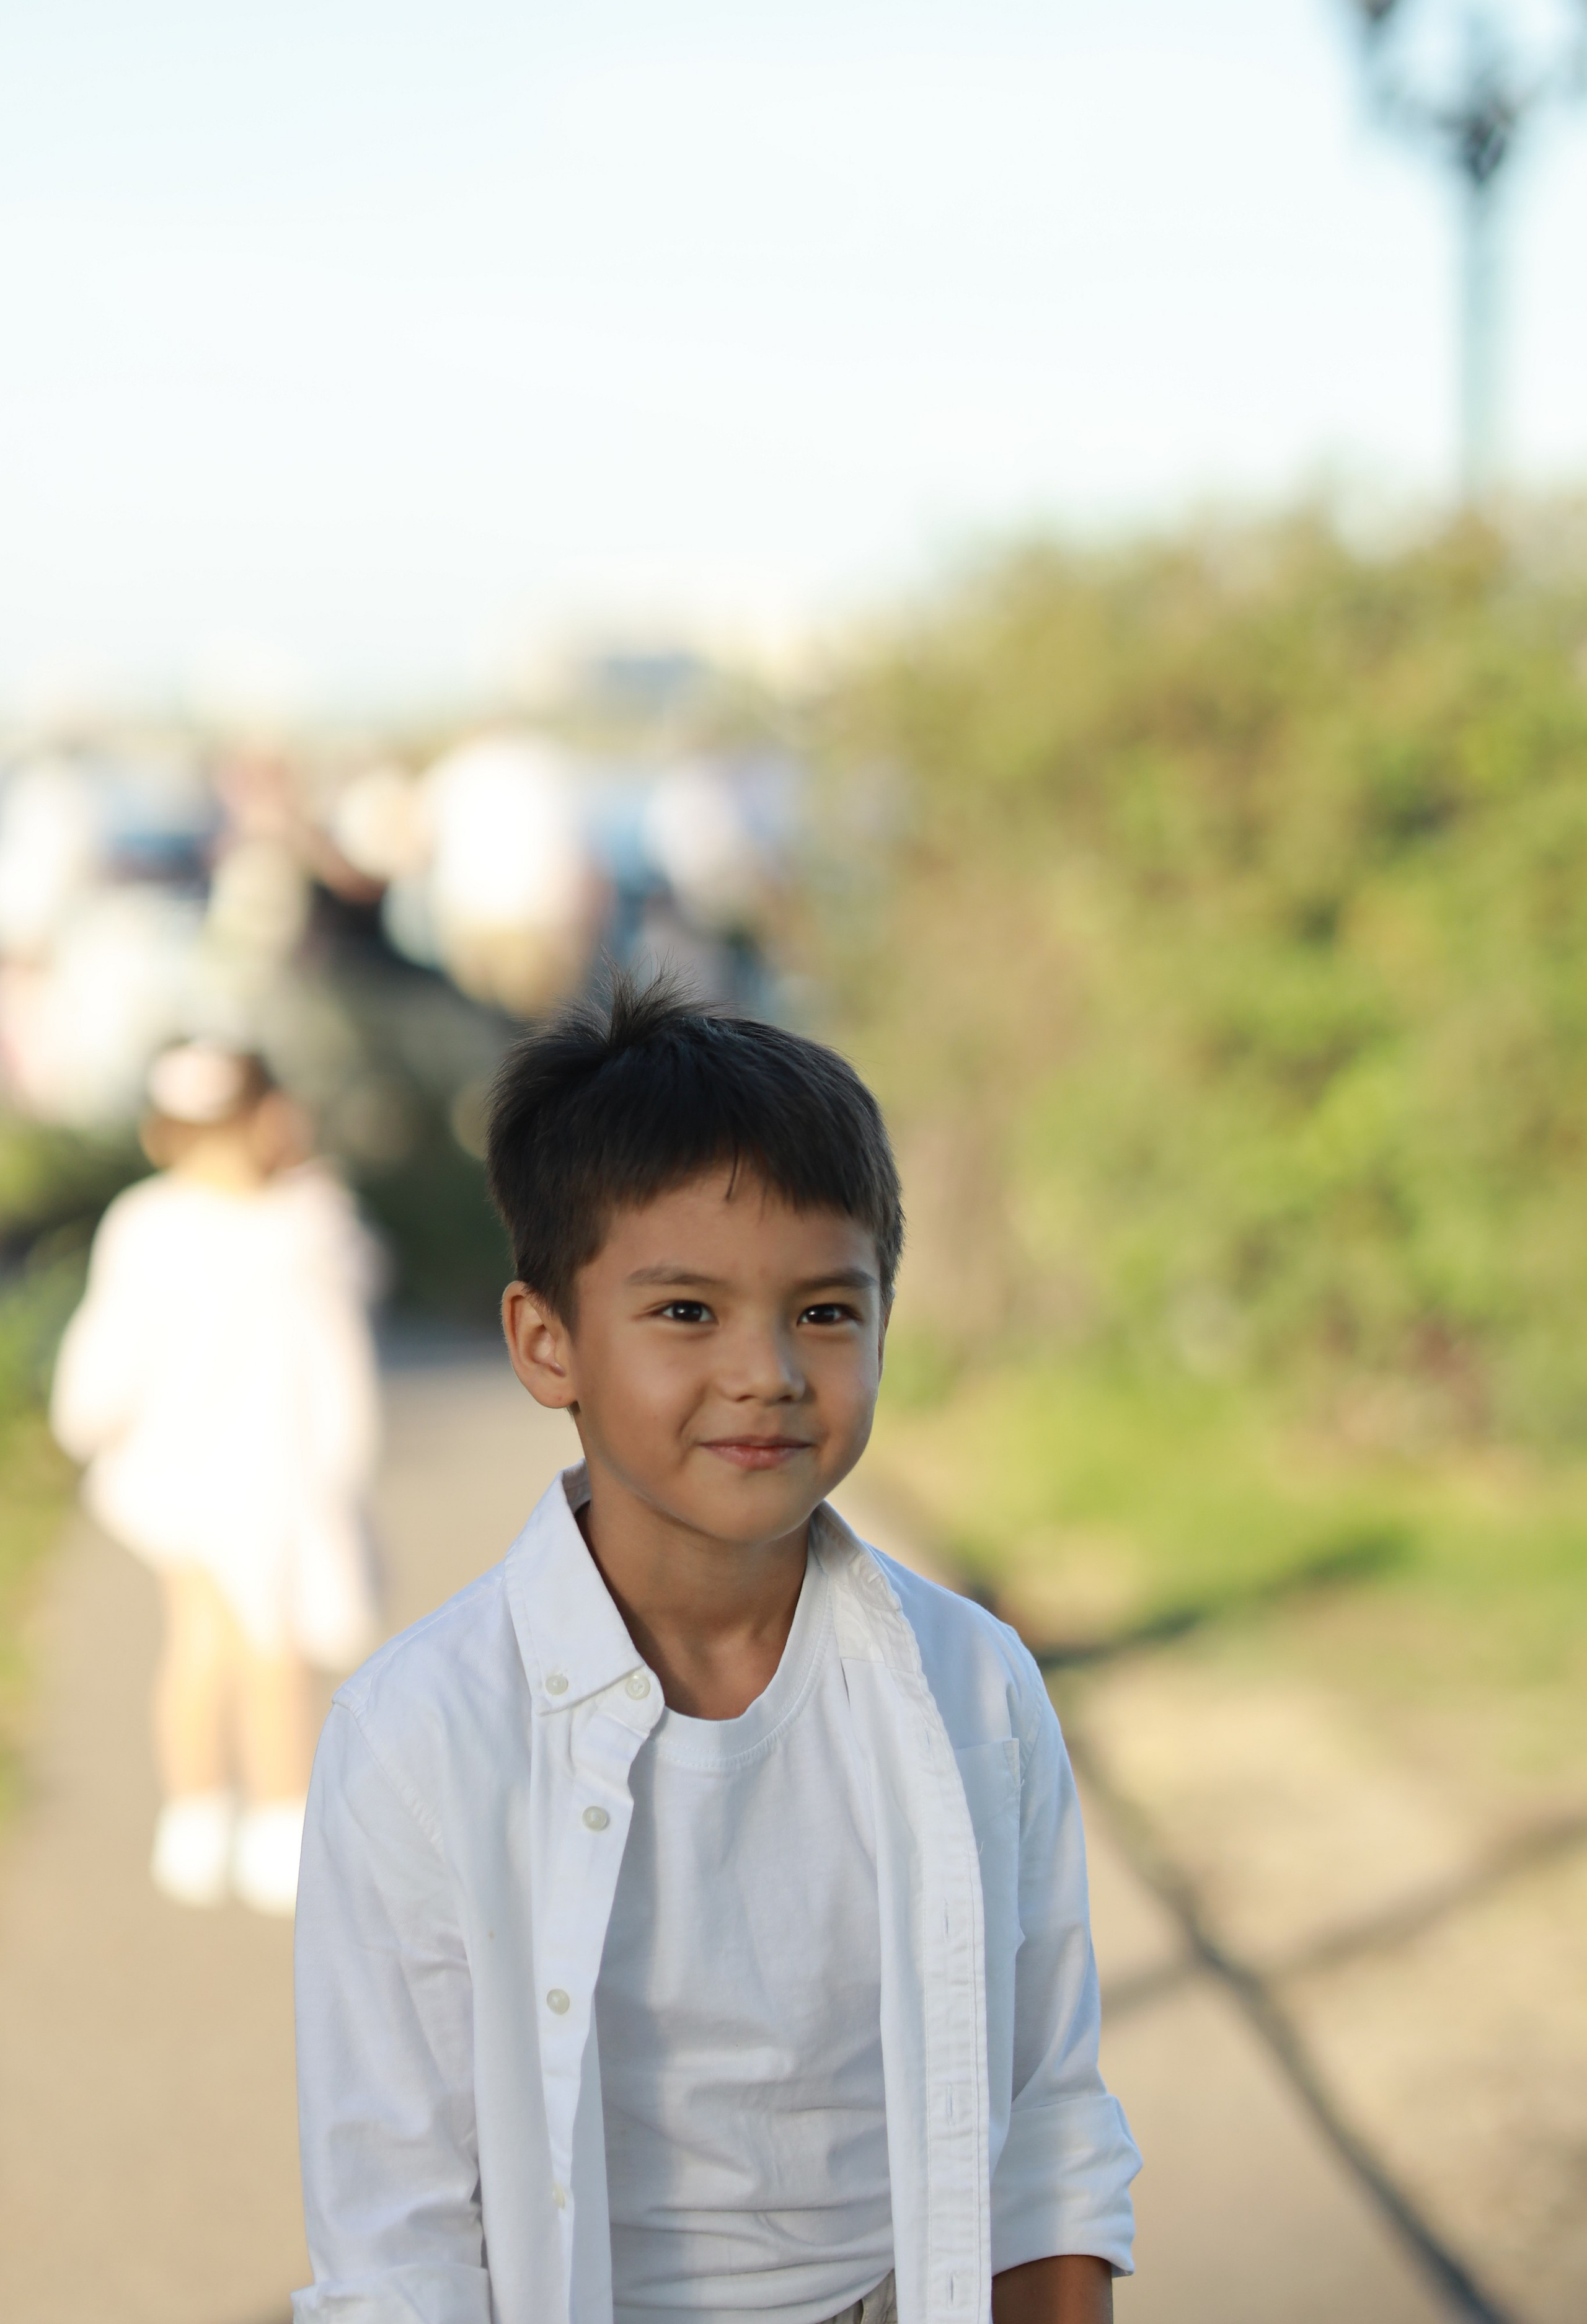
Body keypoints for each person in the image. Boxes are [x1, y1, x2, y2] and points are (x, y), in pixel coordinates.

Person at [293, 977, 1139, 2324]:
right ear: (545, 1340)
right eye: (685, 1313)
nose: (767, 1373)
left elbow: (1042, 2134)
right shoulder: (418, 1735)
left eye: (823, 1311)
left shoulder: (973, 1684)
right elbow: (398, 2237)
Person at [51, 1040, 381, 1916]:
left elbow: (107, 1354)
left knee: (210, 1640)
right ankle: (274, 1823)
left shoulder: (174, 1221)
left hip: (220, 1465)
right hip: (232, 1468)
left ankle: (201, 1817)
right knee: (264, 1647)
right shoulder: (297, 1223)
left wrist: (85, 1420)